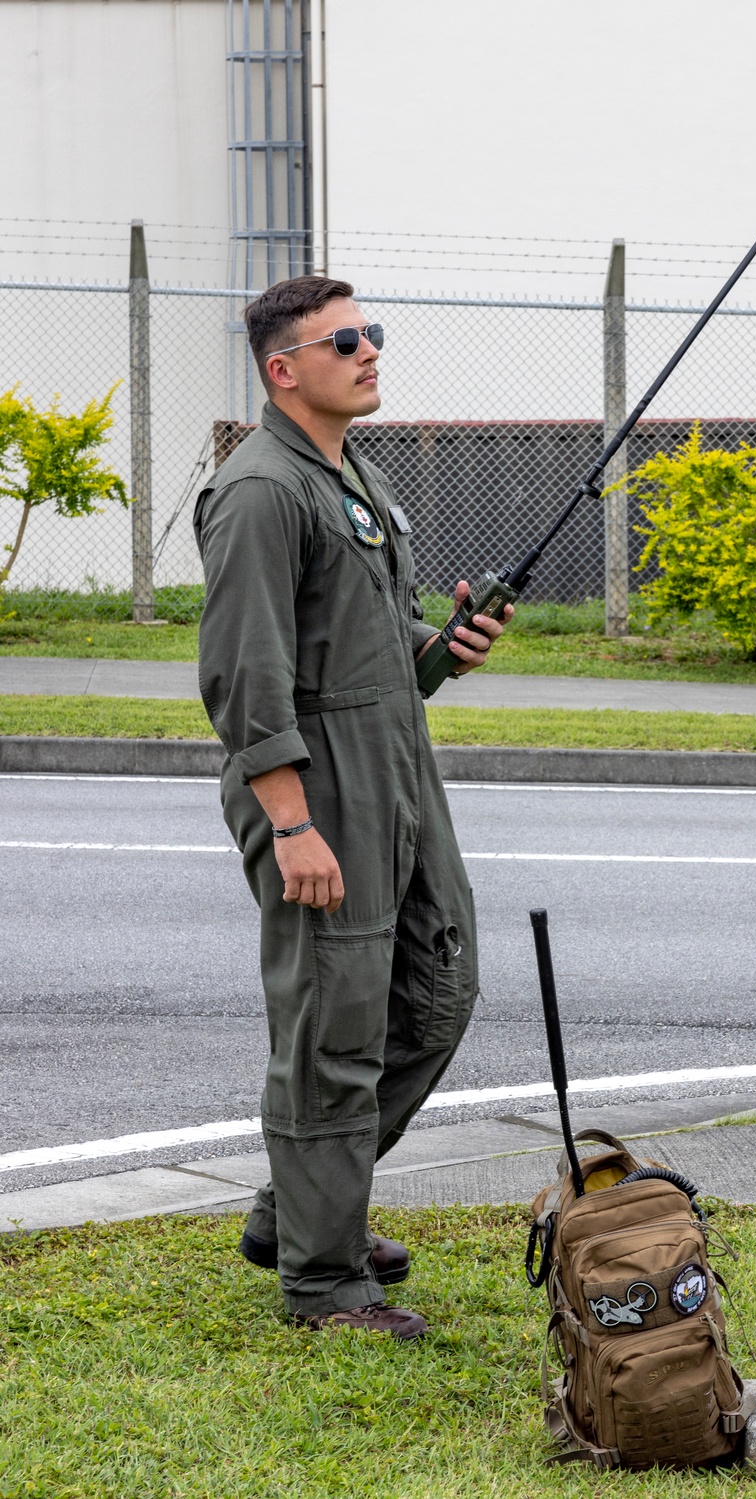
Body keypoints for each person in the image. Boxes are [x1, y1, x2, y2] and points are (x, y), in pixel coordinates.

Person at [194, 275, 511, 1340]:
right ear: (285, 369)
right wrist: (290, 820)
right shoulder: (259, 491)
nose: (369, 350)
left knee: (436, 986)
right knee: (334, 1026)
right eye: (344, 340)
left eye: (370, 333)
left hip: (395, 769)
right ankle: (324, 1279)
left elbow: (367, 645)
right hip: (318, 786)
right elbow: (246, 674)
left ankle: (297, 1208)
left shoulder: (352, 474)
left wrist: (441, 650)